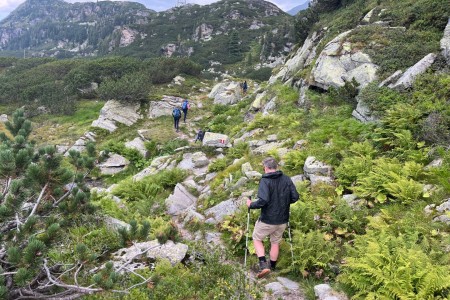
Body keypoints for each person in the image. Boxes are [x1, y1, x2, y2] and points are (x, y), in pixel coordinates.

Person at [246, 157, 299, 278]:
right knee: (275, 242)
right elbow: (295, 197)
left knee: (256, 238)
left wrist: (251, 205)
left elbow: (263, 200)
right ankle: (272, 266)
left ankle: (263, 265)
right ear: (276, 167)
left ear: (266, 168)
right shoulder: (286, 179)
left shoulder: (265, 181)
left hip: (268, 219)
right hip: (282, 219)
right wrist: (284, 202)